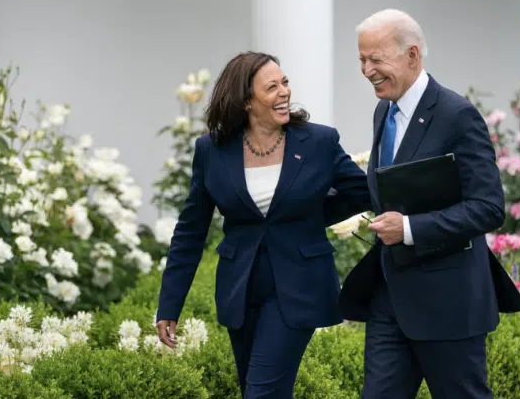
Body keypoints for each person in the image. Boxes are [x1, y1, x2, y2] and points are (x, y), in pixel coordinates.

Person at [156, 51, 372, 398]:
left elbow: (364, 193)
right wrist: (169, 305)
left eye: (284, 82)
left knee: (262, 393)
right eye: (271, 87)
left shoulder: (319, 142)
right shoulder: (212, 149)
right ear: (246, 100)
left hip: (298, 287)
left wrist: (312, 217)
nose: (284, 92)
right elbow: (190, 231)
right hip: (240, 289)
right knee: (254, 389)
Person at [337, 9, 520, 399]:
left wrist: (408, 229)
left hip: (448, 304)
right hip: (390, 299)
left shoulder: (457, 116)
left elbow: (488, 207)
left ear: (412, 55)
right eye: (362, 60)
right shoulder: (383, 110)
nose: (367, 70)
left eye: (376, 59)